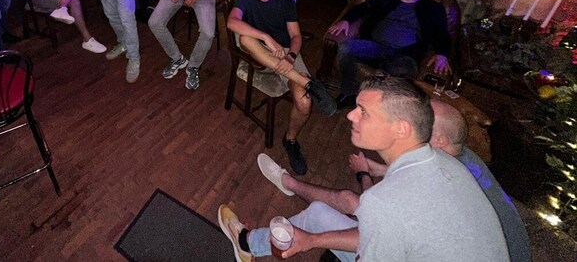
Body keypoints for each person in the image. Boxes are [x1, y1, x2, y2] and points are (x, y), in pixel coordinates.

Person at [218, 77, 510, 262]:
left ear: (401, 129)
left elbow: (382, 228)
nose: (351, 116)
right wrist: (312, 241)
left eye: (364, 112)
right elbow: (381, 234)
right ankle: (248, 245)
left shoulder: (384, 204)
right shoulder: (443, 162)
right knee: (318, 214)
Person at [227, 0, 337, 175]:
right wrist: (266, 37)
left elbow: (296, 36)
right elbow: (232, 22)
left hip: (286, 56)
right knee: (246, 39)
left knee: (304, 102)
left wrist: (291, 56)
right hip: (261, 55)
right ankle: (307, 82)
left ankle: (290, 140)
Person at [328, 0, 452, 109]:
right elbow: (361, 8)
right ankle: (349, 93)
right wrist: (346, 20)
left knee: (402, 74)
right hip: (374, 46)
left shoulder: (434, 9)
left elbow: (442, 33)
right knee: (346, 48)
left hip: (405, 54)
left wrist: (442, 53)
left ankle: (382, 107)